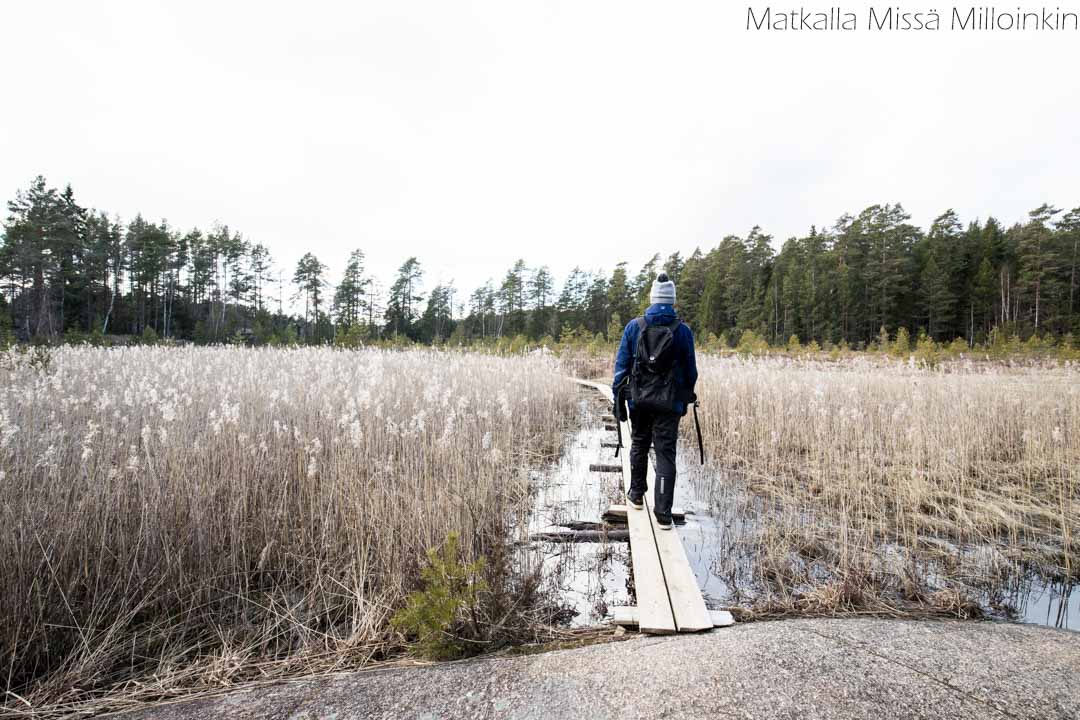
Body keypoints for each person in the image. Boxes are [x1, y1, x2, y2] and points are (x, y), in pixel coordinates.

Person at [611, 272, 698, 530]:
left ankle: (636, 495)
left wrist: (619, 394)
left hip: (638, 401)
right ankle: (663, 514)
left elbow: (621, 367)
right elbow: (691, 372)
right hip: (668, 404)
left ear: (652, 298)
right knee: (665, 454)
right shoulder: (682, 331)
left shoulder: (633, 327)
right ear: (672, 300)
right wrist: (683, 399)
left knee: (638, 443)